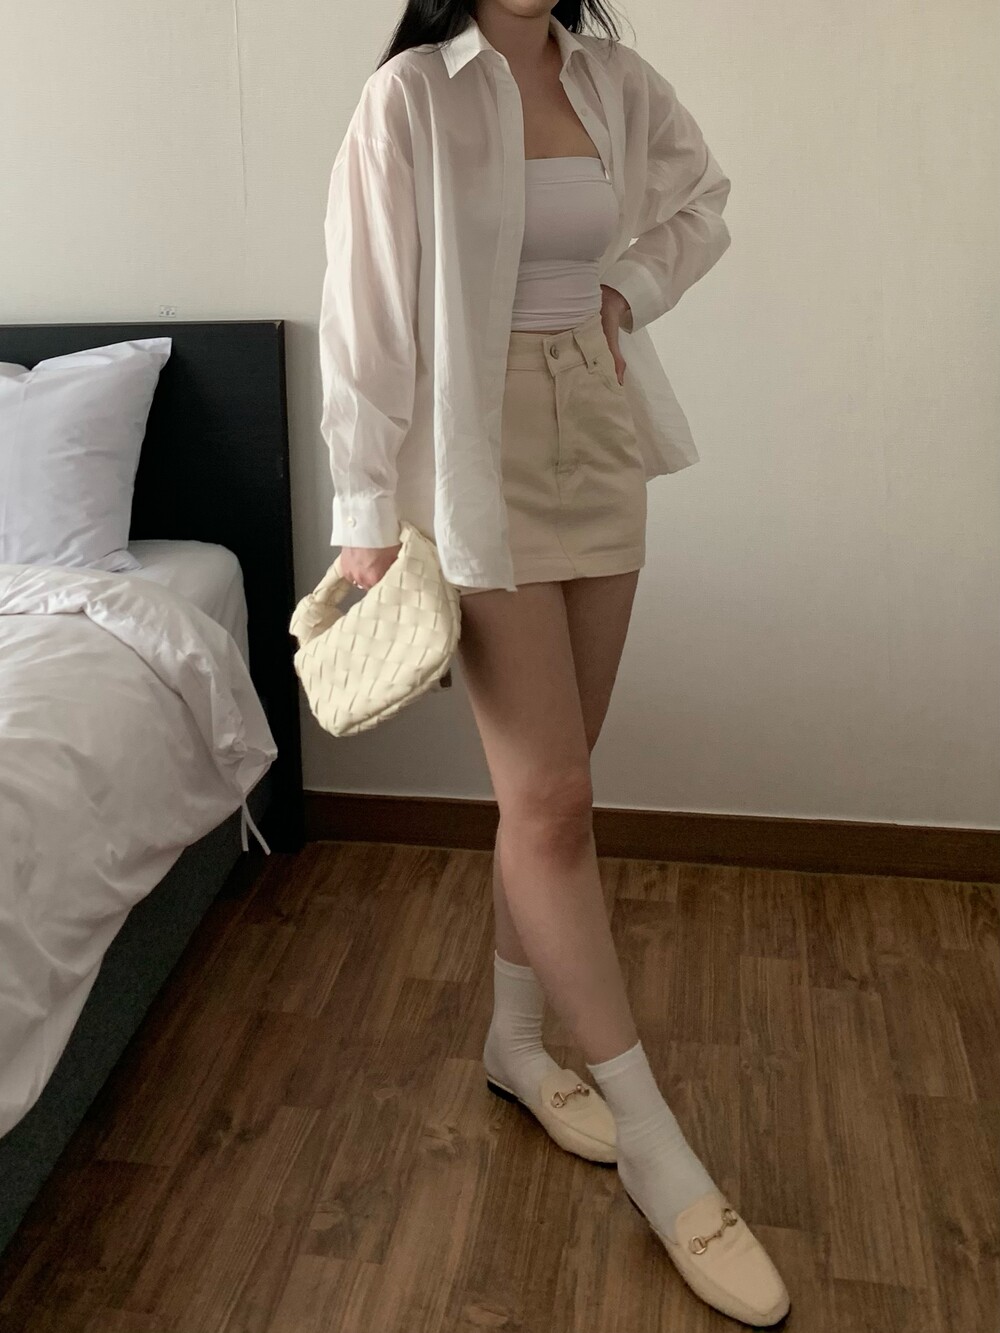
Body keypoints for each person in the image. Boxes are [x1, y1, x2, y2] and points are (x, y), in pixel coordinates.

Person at [319, 2, 790, 1325]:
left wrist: (626, 288)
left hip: (599, 421)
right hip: (474, 461)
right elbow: (362, 314)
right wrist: (364, 517)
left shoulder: (614, 81)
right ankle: (655, 1141)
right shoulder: (412, 97)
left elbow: (701, 200)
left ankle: (517, 1042)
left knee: (555, 791)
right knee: (554, 800)